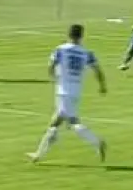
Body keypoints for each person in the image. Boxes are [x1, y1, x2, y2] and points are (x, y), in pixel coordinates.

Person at [26, 24, 107, 163]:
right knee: (55, 122)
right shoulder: (86, 53)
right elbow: (97, 70)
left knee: (72, 123)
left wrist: (53, 77)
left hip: (63, 91)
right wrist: (102, 86)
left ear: (68, 35)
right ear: (81, 36)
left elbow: (50, 65)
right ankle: (38, 155)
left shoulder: (61, 50)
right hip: (76, 91)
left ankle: (97, 142)